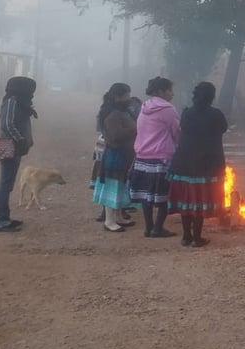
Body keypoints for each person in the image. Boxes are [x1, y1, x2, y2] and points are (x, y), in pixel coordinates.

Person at [168, 82, 228, 248]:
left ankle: (186, 237)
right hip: (206, 165)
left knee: (187, 201)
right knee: (199, 202)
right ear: (212, 97)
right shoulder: (216, 114)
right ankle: (197, 238)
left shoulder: (187, 113)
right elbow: (223, 129)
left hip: (184, 163)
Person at [128, 76, 180, 238]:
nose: (172, 94)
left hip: (142, 156)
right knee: (163, 194)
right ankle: (158, 228)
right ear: (161, 91)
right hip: (161, 157)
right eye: (169, 90)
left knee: (146, 194)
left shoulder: (145, 106)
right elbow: (176, 132)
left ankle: (148, 227)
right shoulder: (168, 109)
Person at [0, 76, 37, 232]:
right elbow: (7, 124)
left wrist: (26, 140)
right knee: (5, 184)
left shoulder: (18, 101)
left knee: (8, 184)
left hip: (13, 146)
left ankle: (4, 217)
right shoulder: (12, 101)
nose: (32, 93)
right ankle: (0, 221)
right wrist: (20, 138)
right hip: (8, 146)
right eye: (30, 89)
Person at [93, 83, 137, 233]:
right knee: (112, 188)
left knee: (120, 187)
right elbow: (115, 136)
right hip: (115, 156)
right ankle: (109, 221)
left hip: (123, 155)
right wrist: (133, 130)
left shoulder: (119, 111)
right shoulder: (112, 114)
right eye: (127, 95)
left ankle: (118, 216)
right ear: (118, 96)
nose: (129, 98)